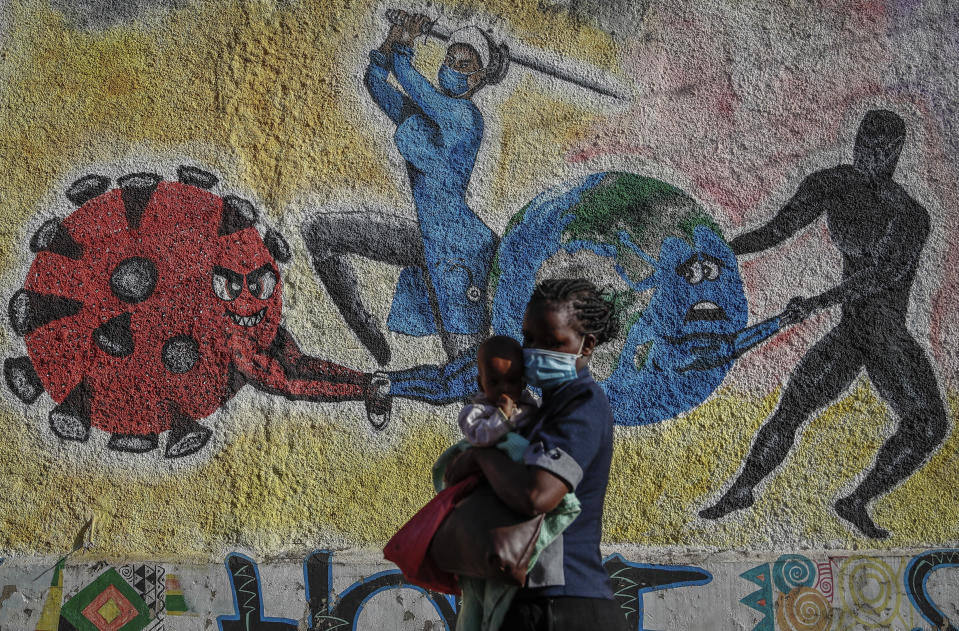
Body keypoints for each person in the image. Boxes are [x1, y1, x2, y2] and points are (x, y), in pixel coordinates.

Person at [699, 109, 949, 539]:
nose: (868, 154)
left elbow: (881, 277)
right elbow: (777, 230)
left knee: (928, 424)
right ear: (855, 141)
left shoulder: (909, 214)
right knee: (792, 410)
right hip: (854, 333)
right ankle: (741, 491)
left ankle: (856, 500)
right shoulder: (830, 184)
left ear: (895, 152)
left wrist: (816, 301)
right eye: (863, 143)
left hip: (886, 338)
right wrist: (722, 252)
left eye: (879, 148)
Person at [301, 10, 508, 404]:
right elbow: (377, 83)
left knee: (473, 386)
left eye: (466, 64)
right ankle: (367, 332)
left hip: (460, 255)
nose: (454, 67)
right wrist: (390, 40)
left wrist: (405, 45)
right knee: (321, 232)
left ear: (478, 79)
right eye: (451, 58)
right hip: (428, 242)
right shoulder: (422, 115)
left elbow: (414, 83)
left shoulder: (465, 118)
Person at [445, 278, 627, 631]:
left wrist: (483, 458)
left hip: (564, 603)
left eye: (551, 342)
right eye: (529, 339)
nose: (534, 352)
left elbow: (537, 494)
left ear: (586, 345)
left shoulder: (582, 403)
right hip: (533, 600)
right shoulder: (540, 411)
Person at [458, 335, 538, 447]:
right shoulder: (475, 413)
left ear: (523, 382)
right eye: (494, 382)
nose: (504, 388)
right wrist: (502, 416)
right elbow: (479, 438)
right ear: (481, 384)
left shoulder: (529, 406)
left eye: (512, 381)